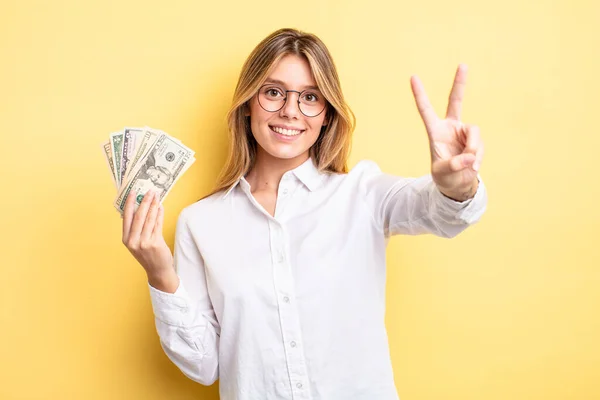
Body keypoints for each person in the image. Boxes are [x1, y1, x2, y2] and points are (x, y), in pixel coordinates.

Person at [121, 28, 487, 400]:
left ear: (327, 113)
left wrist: (457, 185)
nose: (290, 111)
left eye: (310, 97)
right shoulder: (200, 223)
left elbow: (441, 213)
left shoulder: (360, 193)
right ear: (249, 102)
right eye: (274, 92)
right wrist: (160, 273)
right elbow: (204, 366)